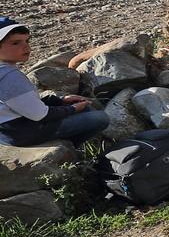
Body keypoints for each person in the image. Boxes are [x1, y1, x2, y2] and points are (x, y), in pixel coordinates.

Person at [0, 17, 109, 147]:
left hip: (7, 131)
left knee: (85, 109)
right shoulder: (10, 76)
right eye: (15, 43)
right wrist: (71, 109)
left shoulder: (5, 70)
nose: (26, 47)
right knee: (100, 118)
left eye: (27, 41)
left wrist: (59, 100)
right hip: (21, 133)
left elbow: (18, 104)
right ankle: (73, 148)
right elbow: (39, 115)